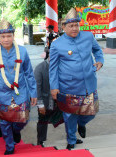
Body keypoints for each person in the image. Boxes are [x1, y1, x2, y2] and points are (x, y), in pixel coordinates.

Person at [0, 19, 37, 155]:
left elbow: (29, 73)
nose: (6, 39)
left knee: (23, 119)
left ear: (13, 36)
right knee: (4, 123)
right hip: (0, 93)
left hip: (20, 92)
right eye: (3, 36)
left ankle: (16, 130)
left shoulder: (22, 51)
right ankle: (10, 146)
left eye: (9, 36)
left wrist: (33, 93)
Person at [49, 8, 104, 150]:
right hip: (68, 86)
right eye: (71, 26)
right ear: (63, 27)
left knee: (91, 112)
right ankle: (71, 140)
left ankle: (82, 123)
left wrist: (99, 60)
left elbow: (97, 50)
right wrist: (54, 87)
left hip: (89, 83)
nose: (75, 28)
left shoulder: (88, 37)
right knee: (69, 115)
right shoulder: (56, 44)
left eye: (77, 25)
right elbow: (53, 68)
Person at [34, 57, 63, 147]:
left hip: (61, 98)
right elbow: (37, 88)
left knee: (70, 117)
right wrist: (40, 104)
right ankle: (40, 141)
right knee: (42, 120)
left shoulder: (63, 65)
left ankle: (71, 137)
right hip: (46, 100)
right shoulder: (40, 68)